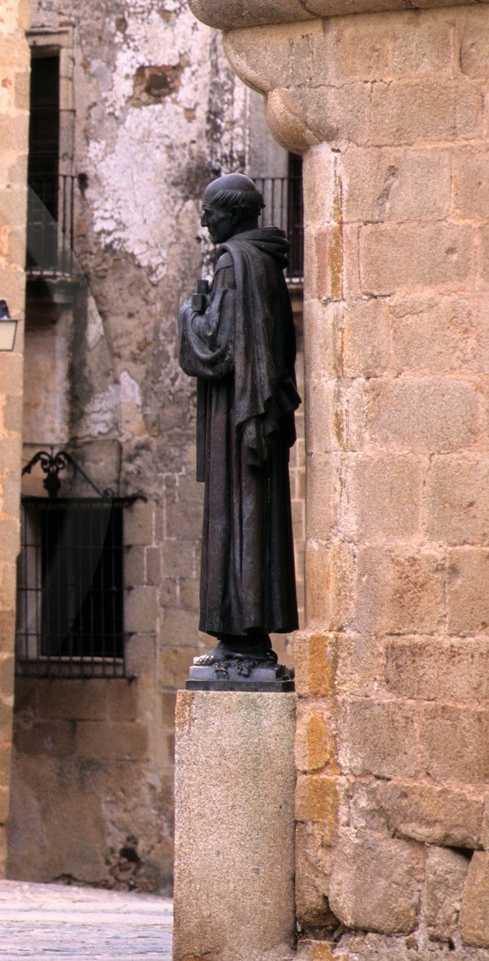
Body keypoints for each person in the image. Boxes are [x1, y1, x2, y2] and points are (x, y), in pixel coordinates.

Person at [177, 173, 300, 674]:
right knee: (255, 521)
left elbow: (218, 347)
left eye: (210, 212)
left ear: (231, 213)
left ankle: (241, 638)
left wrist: (190, 312)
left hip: (237, 422)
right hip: (256, 419)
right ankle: (246, 634)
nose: (205, 221)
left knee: (234, 519)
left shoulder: (233, 261)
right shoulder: (266, 261)